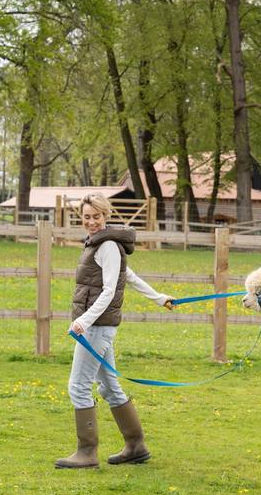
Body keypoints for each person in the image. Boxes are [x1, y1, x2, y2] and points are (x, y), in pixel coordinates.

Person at [55, 194, 174, 469]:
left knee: (78, 386)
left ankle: (86, 452)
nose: (91, 222)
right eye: (86, 217)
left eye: (96, 216)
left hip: (96, 327)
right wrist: (159, 298)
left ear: (105, 216)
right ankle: (135, 446)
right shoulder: (101, 243)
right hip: (100, 327)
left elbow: (110, 290)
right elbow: (129, 277)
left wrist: (84, 320)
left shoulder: (107, 245)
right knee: (109, 386)